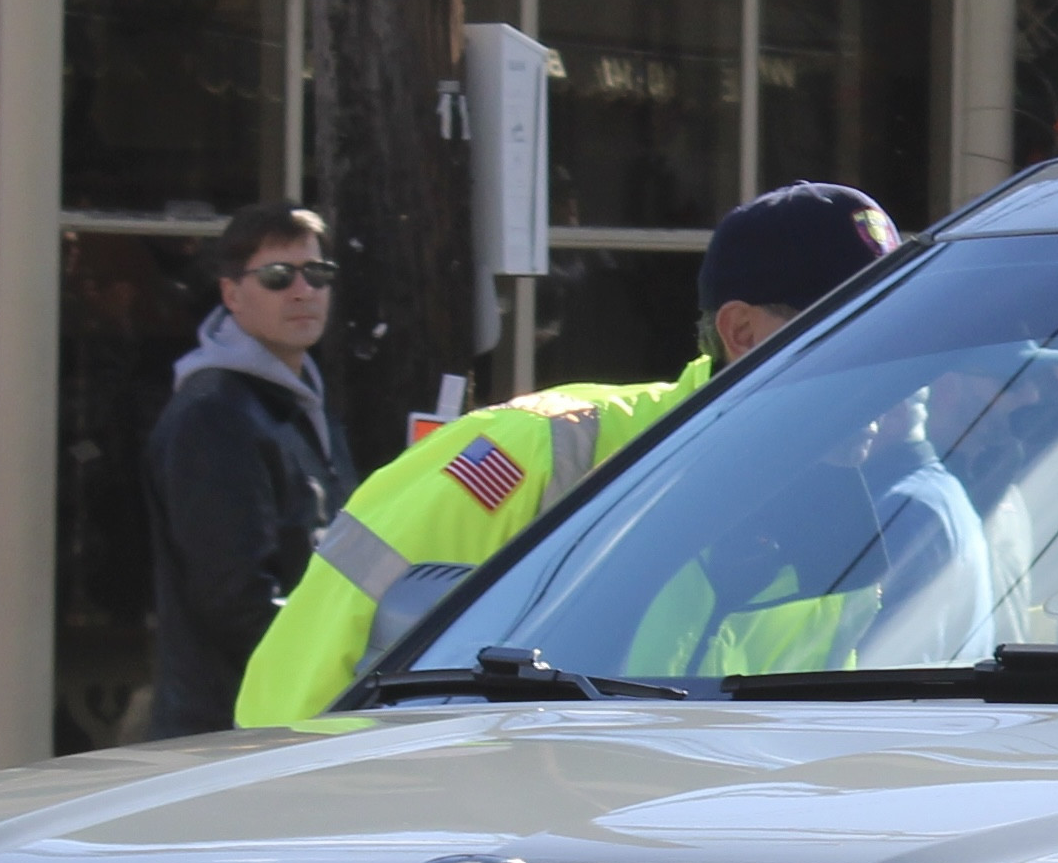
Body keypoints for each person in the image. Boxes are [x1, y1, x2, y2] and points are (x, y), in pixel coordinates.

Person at [233, 179, 899, 725]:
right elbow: (294, 701)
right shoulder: (531, 455)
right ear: (742, 333)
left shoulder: (846, 544)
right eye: (854, 335)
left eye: (906, 337)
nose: (890, 375)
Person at [145, 205, 356, 738]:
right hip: (230, 727)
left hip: (288, 717)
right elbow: (234, 598)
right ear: (231, 294)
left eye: (318, 274)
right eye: (278, 277)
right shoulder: (213, 414)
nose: (303, 291)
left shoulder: (302, 402)